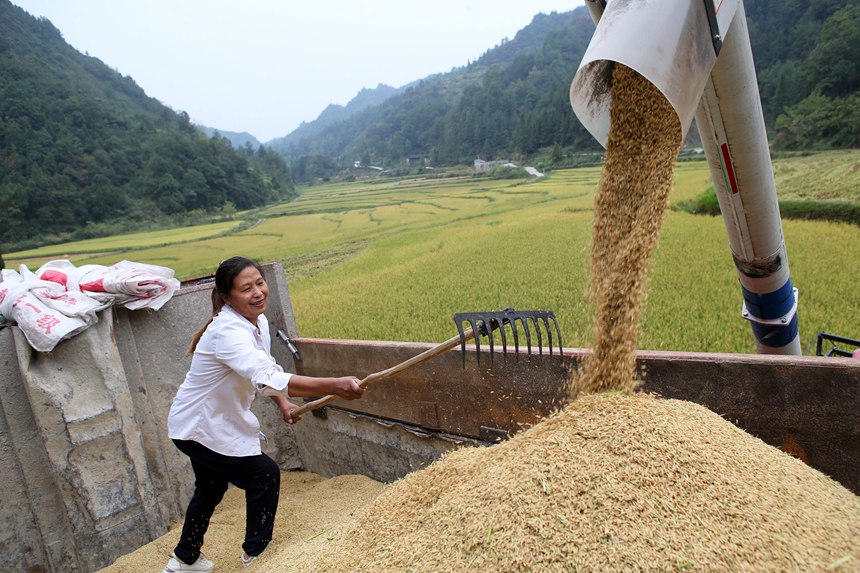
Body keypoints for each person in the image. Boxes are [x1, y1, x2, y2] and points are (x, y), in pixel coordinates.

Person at [162, 256, 364, 572]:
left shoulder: (258, 322)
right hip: (200, 427)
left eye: (260, 283)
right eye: (246, 288)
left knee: (211, 487)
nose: (258, 293)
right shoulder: (227, 331)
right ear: (227, 297)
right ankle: (258, 556)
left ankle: (185, 559)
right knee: (264, 475)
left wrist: (283, 403)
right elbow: (265, 376)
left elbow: (264, 372)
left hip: (198, 425)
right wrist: (334, 385)